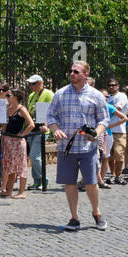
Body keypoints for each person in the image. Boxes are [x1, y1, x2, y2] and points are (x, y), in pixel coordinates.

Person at [46, 61, 109, 231]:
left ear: (85, 75)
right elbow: (50, 116)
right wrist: (55, 129)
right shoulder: (60, 94)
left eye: (76, 71)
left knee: (91, 182)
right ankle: (74, 218)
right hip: (66, 147)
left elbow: (104, 119)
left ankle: (96, 212)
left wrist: (96, 132)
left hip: (88, 147)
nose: (72, 74)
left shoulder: (96, 95)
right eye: (71, 71)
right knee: (69, 183)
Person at [0, 87, 34, 199]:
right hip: (8, 141)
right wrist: (3, 138)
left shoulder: (21, 109)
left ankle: (21, 192)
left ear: (16, 97)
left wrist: (22, 134)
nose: (7, 97)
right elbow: (4, 125)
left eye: (9, 95)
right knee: (9, 166)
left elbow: (31, 124)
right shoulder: (7, 108)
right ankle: (9, 191)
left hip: (18, 142)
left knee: (21, 166)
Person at [25, 75, 54, 189]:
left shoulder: (48, 94)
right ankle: (37, 181)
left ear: (40, 83)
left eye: (33, 84)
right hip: (32, 128)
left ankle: (44, 180)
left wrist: (47, 126)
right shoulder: (32, 95)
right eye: (30, 84)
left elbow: (51, 112)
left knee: (35, 156)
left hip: (42, 129)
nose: (31, 86)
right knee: (33, 157)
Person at [104, 78, 128, 185]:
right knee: (110, 154)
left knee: (119, 153)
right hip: (108, 130)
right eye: (109, 85)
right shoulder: (108, 97)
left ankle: (118, 175)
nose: (111, 87)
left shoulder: (121, 96)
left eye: (113, 85)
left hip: (119, 130)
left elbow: (116, 109)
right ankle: (113, 175)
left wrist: (106, 108)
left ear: (118, 86)